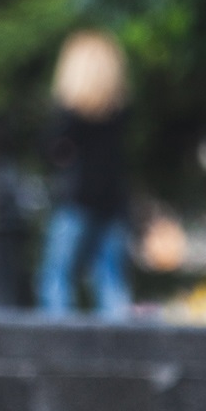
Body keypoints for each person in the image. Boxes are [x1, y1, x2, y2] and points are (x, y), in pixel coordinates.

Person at [36, 30, 132, 316]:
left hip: (76, 200)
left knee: (56, 275)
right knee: (110, 278)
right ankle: (119, 346)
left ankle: (60, 344)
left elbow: (49, 150)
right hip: (112, 201)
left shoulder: (70, 116)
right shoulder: (121, 114)